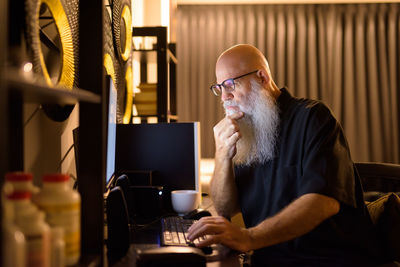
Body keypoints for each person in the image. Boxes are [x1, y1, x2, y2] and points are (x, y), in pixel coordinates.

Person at [186, 44, 381, 266]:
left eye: (230, 84)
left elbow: (323, 202)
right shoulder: (246, 131)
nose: (224, 97)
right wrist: (222, 154)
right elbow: (226, 209)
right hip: (269, 260)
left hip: (327, 260)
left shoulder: (313, 117)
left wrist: (249, 237)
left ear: (262, 77)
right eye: (219, 88)